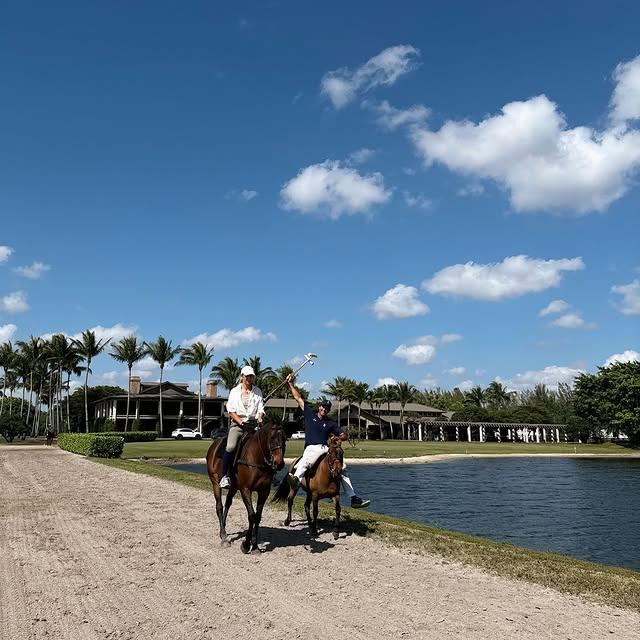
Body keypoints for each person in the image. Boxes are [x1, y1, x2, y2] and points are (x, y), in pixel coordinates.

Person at [286, 375, 370, 509]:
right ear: (319, 407)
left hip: (325, 448)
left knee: (343, 468)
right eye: (323, 407)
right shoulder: (309, 414)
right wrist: (290, 384)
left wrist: (340, 437)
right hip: (311, 448)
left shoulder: (330, 423)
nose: (324, 409)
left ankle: (353, 498)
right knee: (306, 462)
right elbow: (298, 398)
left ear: (329, 410)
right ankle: (295, 479)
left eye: (327, 408)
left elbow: (343, 435)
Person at [220, 365, 265, 489]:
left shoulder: (257, 391)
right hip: (238, 424)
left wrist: (260, 416)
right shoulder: (234, 391)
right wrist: (240, 422)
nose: (249, 378)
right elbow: (230, 410)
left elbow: (260, 408)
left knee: (265, 445)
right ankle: (224, 476)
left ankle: (269, 474)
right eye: (247, 376)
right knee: (231, 446)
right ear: (242, 377)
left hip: (253, 424)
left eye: (251, 376)